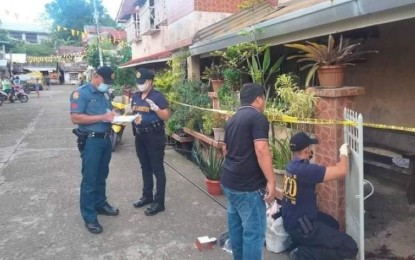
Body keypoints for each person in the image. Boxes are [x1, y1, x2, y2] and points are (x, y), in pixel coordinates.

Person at [220, 83, 276, 260]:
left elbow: (225, 150)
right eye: (264, 99)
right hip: (248, 187)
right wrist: (272, 181)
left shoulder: (233, 119)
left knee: (236, 229)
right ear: (259, 99)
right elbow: (261, 149)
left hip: (229, 182)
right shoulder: (258, 117)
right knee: (254, 233)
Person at [281, 132, 358, 259]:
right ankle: (302, 253)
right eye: (310, 149)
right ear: (306, 151)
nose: (312, 151)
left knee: (333, 224)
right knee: (350, 246)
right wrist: (343, 152)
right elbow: (341, 170)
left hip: (292, 223)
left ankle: (300, 244)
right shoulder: (306, 171)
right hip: (303, 228)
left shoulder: (291, 166)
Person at [69, 66, 119, 234]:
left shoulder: (104, 93)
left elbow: (108, 112)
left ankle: (100, 204)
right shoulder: (81, 93)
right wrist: (102, 117)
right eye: (106, 81)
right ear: (96, 77)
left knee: (101, 175)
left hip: (106, 140)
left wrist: (115, 115)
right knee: (90, 179)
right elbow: (75, 117)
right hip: (91, 141)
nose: (108, 85)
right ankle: (89, 216)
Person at [131, 68, 170, 216]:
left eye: (143, 82)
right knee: (144, 167)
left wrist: (157, 109)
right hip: (140, 137)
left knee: (157, 169)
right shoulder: (136, 96)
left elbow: (166, 116)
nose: (140, 85)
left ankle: (159, 202)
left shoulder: (157, 96)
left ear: (150, 82)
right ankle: (147, 196)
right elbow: (134, 114)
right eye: (138, 82)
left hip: (154, 137)